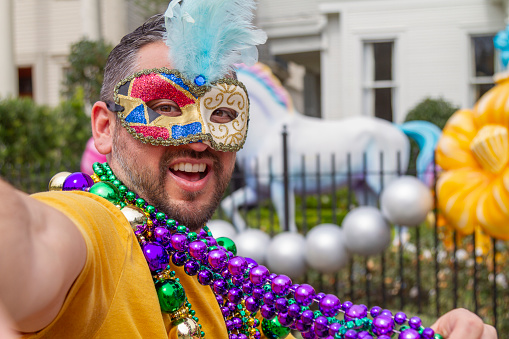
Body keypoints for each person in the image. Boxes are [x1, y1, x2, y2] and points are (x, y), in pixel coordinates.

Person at [0, 1, 499, 338]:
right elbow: (31, 237)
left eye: (221, 113)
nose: (198, 135)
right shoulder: (97, 230)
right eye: (166, 107)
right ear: (105, 128)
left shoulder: (217, 273)